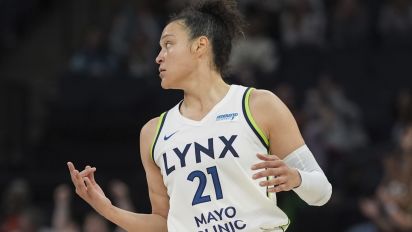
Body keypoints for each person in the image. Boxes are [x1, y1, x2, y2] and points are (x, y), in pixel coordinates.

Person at [67, 0, 332, 231]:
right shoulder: (153, 133)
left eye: (168, 45)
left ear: (200, 46)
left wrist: (296, 178)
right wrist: (107, 209)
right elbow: (164, 224)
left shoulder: (258, 105)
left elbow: (322, 192)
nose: (158, 57)